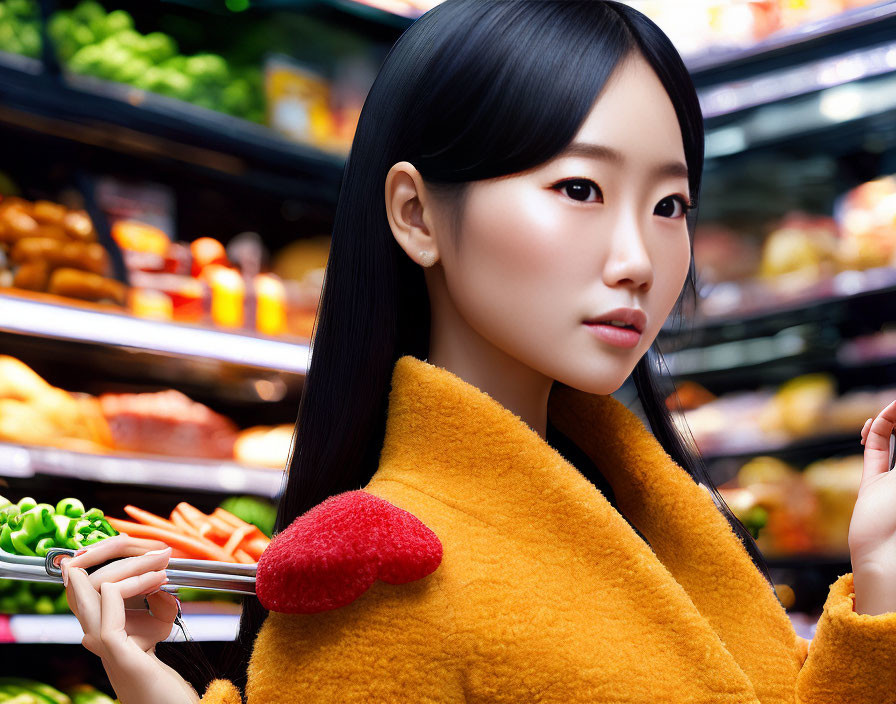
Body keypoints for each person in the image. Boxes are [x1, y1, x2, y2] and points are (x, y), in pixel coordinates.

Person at [60, 1, 896, 702]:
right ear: (417, 216)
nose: (640, 259)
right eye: (579, 188)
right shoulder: (381, 563)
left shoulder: (663, 516)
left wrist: (881, 577)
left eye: (670, 203)